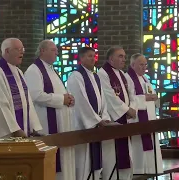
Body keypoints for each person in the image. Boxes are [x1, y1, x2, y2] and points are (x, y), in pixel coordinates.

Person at [24, 39, 75, 180]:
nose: (57, 53)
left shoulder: (50, 69)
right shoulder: (34, 70)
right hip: (46, 122)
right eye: (53, 50)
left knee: (64, 160)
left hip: (62, 123)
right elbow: (36, 95)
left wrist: (69, 98)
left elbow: (59, 92)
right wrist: (62, 99)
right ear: (42, 51)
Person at [0, 38, 42, 138]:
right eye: (17, 49)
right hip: (8, 133)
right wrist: (15, 130)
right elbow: (0, 104)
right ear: (7, 51)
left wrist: (32, 126)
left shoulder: (18, 72)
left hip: (23, 130)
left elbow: (27, 101)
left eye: (22, 49)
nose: (21, 52)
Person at [67, 47, 111, 180]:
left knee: (95, 161)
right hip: (83, 124)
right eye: (89, 56)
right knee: (84, 161)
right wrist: (96, 120)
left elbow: (102, 99)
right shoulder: (76, 76)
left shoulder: (95, 76)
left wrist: (104, 116)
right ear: (81, 59)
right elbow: (80, 101)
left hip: (96, 123)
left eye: (94, 56)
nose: (93, 59)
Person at [97, 46, 137, 180]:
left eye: (124, 57)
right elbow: (109, 96)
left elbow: (131, 93)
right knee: (112, 155)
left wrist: (132, 108)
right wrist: (126, 110)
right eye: (120, 56)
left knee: (126, 153)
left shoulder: (121, 74)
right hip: (114, 119)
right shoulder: (103, 73)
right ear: (110, 58)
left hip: (125, 117)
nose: (124, 59)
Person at [125, 53, 163, 174]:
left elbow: (150, 94)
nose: (144, 67)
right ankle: (139, 173)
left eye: (145, 64)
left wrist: (155, 97)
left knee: (151, 149)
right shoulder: (128, 78)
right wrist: (145, 98)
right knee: (139, 150)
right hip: (138, 120)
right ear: (132, 64)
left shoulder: (145, 78)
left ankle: (150, 172)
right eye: (141, 64)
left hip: (150, 118)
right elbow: (129, 98)